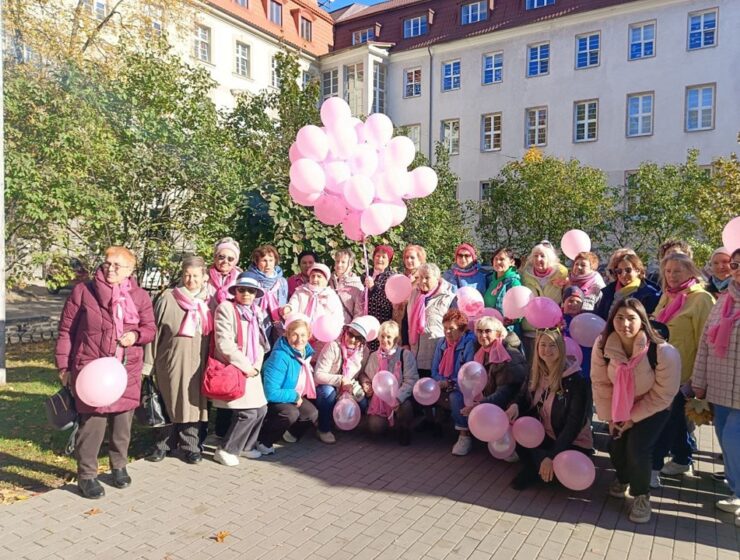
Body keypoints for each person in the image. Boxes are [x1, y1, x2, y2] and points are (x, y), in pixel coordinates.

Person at [55, 246, 155, 499]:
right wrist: (63, 367)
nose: (110, 268)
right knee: (93, 425)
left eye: (117, 266)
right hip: (90, 371)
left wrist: (136, 335)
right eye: (107, 263)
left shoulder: (140, 296)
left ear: (130, 270)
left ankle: (118, 466)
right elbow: (66, 331)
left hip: (125, 370)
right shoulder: (83, 291)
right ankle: (87, 475)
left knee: (122, 424)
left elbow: (150, 328)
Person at [591, 298, 681, 524]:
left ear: (643, 321)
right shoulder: (603, 345)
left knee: (638, 448)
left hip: (654, 405)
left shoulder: (663, 352)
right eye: (619, 318)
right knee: (615, 445)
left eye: (631, 318)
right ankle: (623, 478)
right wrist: (611, 418)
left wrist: (631, 418)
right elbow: (601, 383)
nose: (625, 324)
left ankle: (641, 495)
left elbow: (663, 394)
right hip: (619, 404)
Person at [651, 253, 714, 484]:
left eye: (677, 270)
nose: (672, 275)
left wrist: (698, 379)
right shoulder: (667, 296)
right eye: (668, 271)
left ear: (690, 271)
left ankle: (654, 466)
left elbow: (704, 342)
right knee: (675, 420)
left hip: (685, 373)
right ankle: (682, 458)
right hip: (661, 369)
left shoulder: (701, 299)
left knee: (668, 419)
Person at [506, 329, 593, 490]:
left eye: (552, 345)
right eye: (543, 345)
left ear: (561, 349)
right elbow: (523, 395)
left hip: (570, 439)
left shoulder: (577, 381)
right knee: (516, 426)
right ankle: (533, 467)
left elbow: (573, 425)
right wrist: (515, 405)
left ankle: (542, 463)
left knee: (561, 476)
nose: (547, 350)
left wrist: (553, 455)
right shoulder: (535, 371)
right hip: (543, 432)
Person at [143, 256, 211, 465]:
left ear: (205, 277)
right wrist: (148, 364)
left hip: (198, 362)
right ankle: (162, 445)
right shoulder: (168, 298)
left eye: (196, 276)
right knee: (168, 400)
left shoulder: (210, 302)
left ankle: (190, 446)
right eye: (187, 275)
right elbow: (154, 333)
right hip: (170, 360)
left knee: (193, 404)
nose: (191, 280)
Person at [692, 248, 740, 527]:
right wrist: (699, 382)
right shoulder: (723, 302)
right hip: (721, 386)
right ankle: (736, 491)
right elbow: (705, 346)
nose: (737, 268)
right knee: (725, 438)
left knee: (734, 439)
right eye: (735, 264)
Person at [208, 275, 271, 466]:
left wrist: (255, 366)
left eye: (251, 291)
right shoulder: (226, 309)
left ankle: (246, 446)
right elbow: (224, 343)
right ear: (235, 291)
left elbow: (261, 341)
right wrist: (245, 366)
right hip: (234, 368)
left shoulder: (256, 312)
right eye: (242, 289)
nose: (246, 294)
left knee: (261, 409)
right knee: (247, 413)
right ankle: (226, 449)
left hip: (252, 368)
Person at [459, 316, 528, 456]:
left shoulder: (508, 355)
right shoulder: (482, 352)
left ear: (498, 333)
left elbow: (505, 393)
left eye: (487, 331)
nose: (482, 335)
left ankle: (508, 445)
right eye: (479, 331)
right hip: (493, 398)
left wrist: (478, 405)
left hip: (514, 404)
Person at [257, 319, 319, 453]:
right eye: (295, 335)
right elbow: (270, 392)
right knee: (291, 413)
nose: (299, 340)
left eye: (303, 335)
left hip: (291, 396)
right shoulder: (280, 356)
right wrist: (295, 396)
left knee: (311, 413)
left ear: (309, 336)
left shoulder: (305, 355)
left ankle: (288, 433)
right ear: (287, 335)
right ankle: (263, 441)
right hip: (271, 400)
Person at [313, 317, 375, 444]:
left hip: (349, 387)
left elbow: (361, 373)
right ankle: (323, 429)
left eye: (358, 338)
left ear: (363, 341)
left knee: (363, 404)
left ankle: (338, 420)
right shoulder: (333, 346)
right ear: (345, 331)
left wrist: (365, 383)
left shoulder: (364, 352)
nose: (352, 339)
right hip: (329, 385)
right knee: (327, 393)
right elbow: (318, 375)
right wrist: (341, 380)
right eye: (351, 334)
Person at [359, 320, 418, 445]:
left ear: (396, 338)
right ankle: (387, 424)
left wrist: (398, 398)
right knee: (375, 428)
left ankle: (404, 428)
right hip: (380, 401)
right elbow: (366, 375)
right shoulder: (374, 356)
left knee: (405, 407)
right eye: (382, 336)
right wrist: (366, 383)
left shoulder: (405, 355)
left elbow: (411, 380)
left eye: (389, 337)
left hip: (399, 399)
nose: (384, 340)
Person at [430, 309, 476, 455]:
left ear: (462, 330)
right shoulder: (441, 343)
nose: (447, 332)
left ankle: (464, 436)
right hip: (443, 382)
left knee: (455, 397)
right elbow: (434, 370)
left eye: (452, 329)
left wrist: (450, 383)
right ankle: (434, 424)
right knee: (423, 390)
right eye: (445, 328)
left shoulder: (469, 343)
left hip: (461, 387)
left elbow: (469, 372)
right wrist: (440, 381)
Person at [520, 242, 569, 361]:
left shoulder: (561, 276)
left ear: (550, 259)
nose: (538, 259)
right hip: (531, 329)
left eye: (542, 256)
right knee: (532, 365)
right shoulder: (524, 277)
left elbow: (567, 299)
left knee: (551, 364)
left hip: (553, 329)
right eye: (535, 256)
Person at [405, 264, 456, 377]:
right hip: (414, 352)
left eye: (427, 277)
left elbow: (455, 327)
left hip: (436, 352)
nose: (423, 281)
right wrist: (404, 343)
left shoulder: (448, 298)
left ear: (437, 279)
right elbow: (405, 320)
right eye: (420, 277)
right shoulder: (413, 294)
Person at [282, 263, 343, 356]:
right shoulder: (300, 291)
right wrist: (288, 309)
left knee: (317, 360)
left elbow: (337, 317)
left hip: (322, 339)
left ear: (326, 280)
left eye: (319, 277)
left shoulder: (331, 295)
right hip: (301, 335)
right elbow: (293, 304)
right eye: (313, 276)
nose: (315, 279)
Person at [594, 250, 661, 321]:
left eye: (628, 270)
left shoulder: (650, 293)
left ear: (638, 270)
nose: (623, 275)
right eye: (619, 271)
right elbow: (599, 317)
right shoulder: (608, 291)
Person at [244, 244, 288, 342]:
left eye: (271, 260)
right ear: (257, 262)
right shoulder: (251, 280)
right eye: (264, 260)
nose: (268, 264)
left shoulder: (282, 281)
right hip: (257, 321)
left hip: (278, 322)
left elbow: (284, 301)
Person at [364, 245, 396, 351]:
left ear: (389, 260)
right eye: (377, 256)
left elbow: (387, 303)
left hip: (380, 324)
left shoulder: (391, 277)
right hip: (364, 322)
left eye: (384, 257)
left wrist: (373, 288)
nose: (380, 259)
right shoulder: (365, 274)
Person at [561, 286, 592, 381]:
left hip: (584, 364)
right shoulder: (557, 319)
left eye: (578, 302)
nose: (574, 304)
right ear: (563, 303)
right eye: (570, 301)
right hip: (564, 365)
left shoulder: (586, 320)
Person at [483, 247, 522, 320]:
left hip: (506, 328)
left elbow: (520, 309)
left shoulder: (514, 282)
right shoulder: (489, 279)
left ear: (512, 262)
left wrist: (511, 320)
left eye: (502, 259)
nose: (498, 262)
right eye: (496, 259)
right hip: (489, 325)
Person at [393, 244, 427, 326]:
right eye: (406, 257)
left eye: (412, 257)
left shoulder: (425, 278)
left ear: (420, 259)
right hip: (401, 319)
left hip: (418, 319)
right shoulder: (400, 278)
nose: (409, 260)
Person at [329, 249, 364, 324]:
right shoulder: (327, 281)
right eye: (337, 261)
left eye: (343, 262)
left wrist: (352, 331)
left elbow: (359, 313)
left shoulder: (356, 286)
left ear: (351, 264)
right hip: (328, 326)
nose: (339, 265)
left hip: (345, 328)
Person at [206, 237, 242, 309]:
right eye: (221, 257)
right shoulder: (204, 276)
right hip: (207, 316)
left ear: (235, 261)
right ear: (215, 257)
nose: (225, 261)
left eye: (230, 259)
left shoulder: (240, 278)